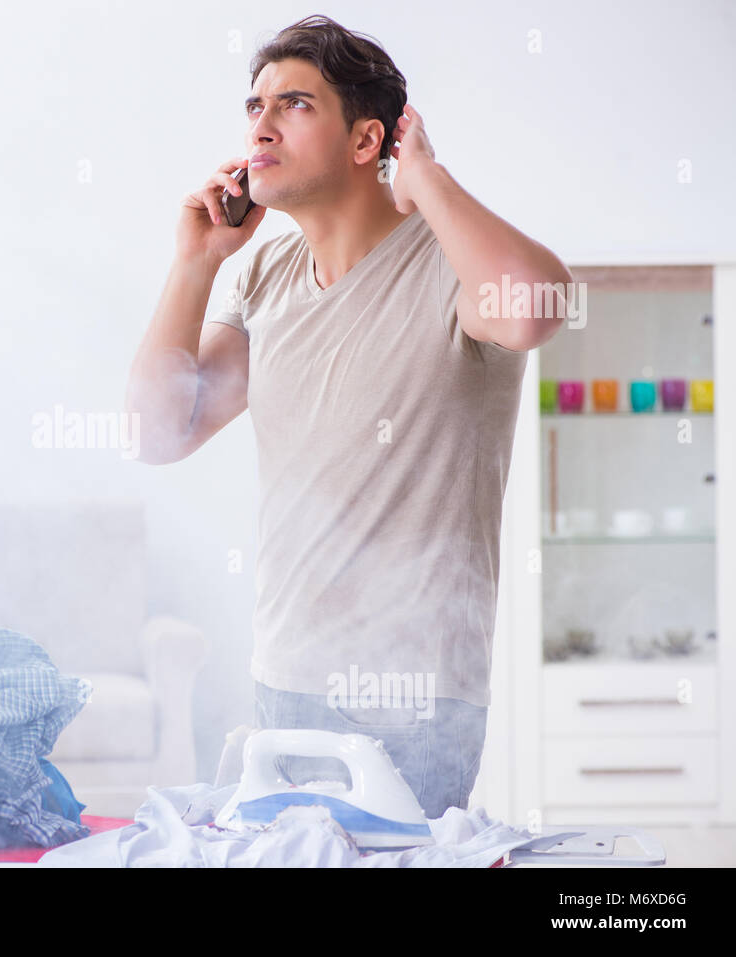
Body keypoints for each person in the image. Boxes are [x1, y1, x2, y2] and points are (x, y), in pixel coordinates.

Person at [124, 15, 573, 818]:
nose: (260, 124)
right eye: (254, 105)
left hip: (414, 692)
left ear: (368, 142)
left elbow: (538, 309)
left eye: (292, 104)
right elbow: (159, 433)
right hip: (286, 674)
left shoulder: (452, 262)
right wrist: (193, 265)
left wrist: (426, 180)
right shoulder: (266, 270)